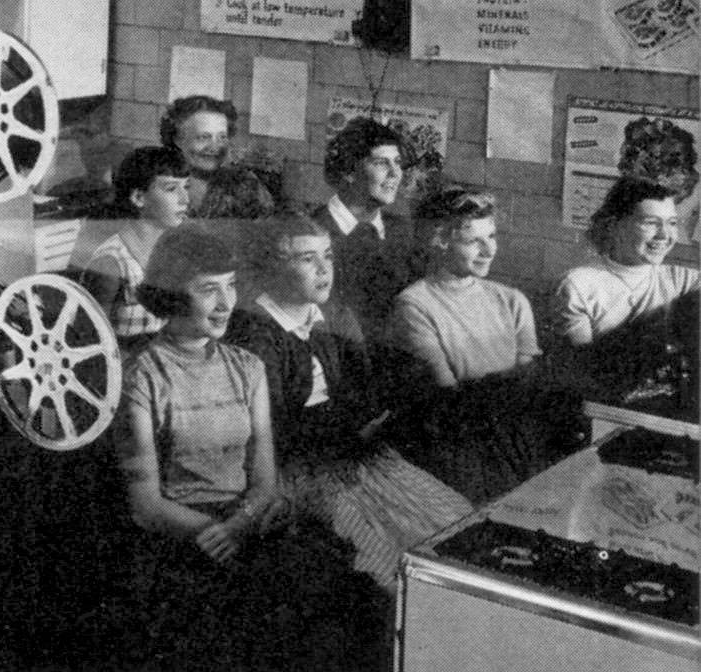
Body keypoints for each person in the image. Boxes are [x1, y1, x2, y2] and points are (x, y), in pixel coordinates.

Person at [112, 226, 385, 672]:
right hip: (183, 542)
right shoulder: (141, 376)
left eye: (231, 286)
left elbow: (264, 478)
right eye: (208, 290)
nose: (225, 304)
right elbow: (145, 506)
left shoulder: (247, 367)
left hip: (249, 525)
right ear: (172, 294)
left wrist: (242, 523)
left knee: (349, 599)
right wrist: (221, 531)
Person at [225, 213, 472, 592]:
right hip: (299, 471)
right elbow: (270, 434)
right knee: (389, 562)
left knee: (456, 524)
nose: (325, 269)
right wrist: (355, 426)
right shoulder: (256, 339)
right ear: (272, 267)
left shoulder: (330, 315)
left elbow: (362, 384)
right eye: (307, 259)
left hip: (354, 454)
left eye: (328, 256)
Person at [388, 186, 562, 504]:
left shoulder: (512, 300)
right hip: (456, 443)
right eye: (473, 241)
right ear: (439, 241)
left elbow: (533, 386)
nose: (489, 250)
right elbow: (447, 396)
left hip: (514, 436)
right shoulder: (414, 305)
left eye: (492, 236)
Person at [303, 117, 413, 347]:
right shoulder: (310, 233)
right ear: (349, 171)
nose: (395, 174)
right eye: (382, 163)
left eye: (398, 162)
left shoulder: (403, 232)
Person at [554, 177, 699, 347]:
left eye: (672, 223)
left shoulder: (687, 281)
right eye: (651, 222)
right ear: (615, 226)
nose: (664, 235)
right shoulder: (578, 286)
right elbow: (582, 366)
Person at [79, 146, 189, 350]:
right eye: (172, 189)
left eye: (186, 187)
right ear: (138, 198)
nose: (185, 199)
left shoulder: (174, 252)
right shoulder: (111, 263)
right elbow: (89, 341)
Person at [158, 95, 274, 221]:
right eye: (204, 137)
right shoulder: (156, 185)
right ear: (178, 139)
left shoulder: (246, 185)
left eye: (222, 137)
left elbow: (267, 234)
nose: (215, 147)